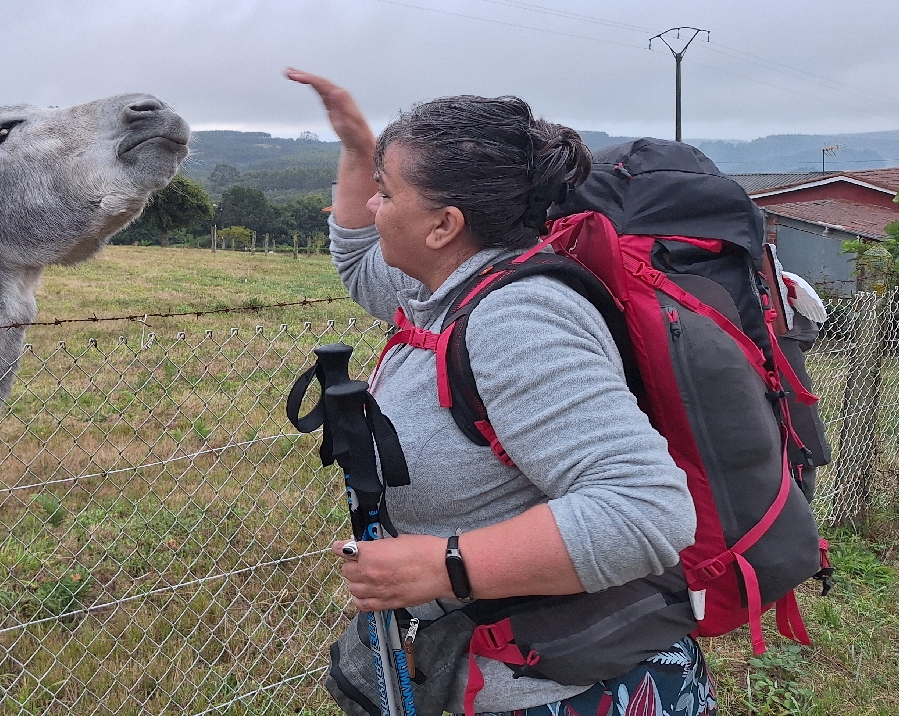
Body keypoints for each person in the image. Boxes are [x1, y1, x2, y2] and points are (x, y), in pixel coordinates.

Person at [286, 68, 712, 716]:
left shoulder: (516, 319)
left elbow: (646, 509)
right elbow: (354, 263)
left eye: (386, 192)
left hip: (568, 692)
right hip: (499, 670)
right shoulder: (442, 288)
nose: (374, 209)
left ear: (443, 224)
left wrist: (443, 566)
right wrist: (354, 144)